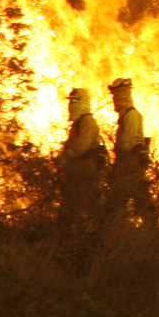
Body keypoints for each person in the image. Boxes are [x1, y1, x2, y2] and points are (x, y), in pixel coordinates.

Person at [104, 77, 159, 229]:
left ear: (122, 95)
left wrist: (119, 167)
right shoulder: (127, 115)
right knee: (141, 201)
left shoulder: (131, 115)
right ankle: (153, 231)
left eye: (116, 95)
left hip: (130, 167)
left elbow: (125, 145)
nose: (114, 99)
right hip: (130, 167)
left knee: (117, 203)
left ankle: (113, 232)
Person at [57, 87, 106, 229]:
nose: (71, 104)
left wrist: (66, 155)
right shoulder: (78, 124)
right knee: (73, 202)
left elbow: (81, 145)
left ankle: (98, 232)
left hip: (87, 170)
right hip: (78, 170)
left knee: (86, 203)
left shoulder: (88, 122)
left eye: (75, 101)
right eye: (70, 101)